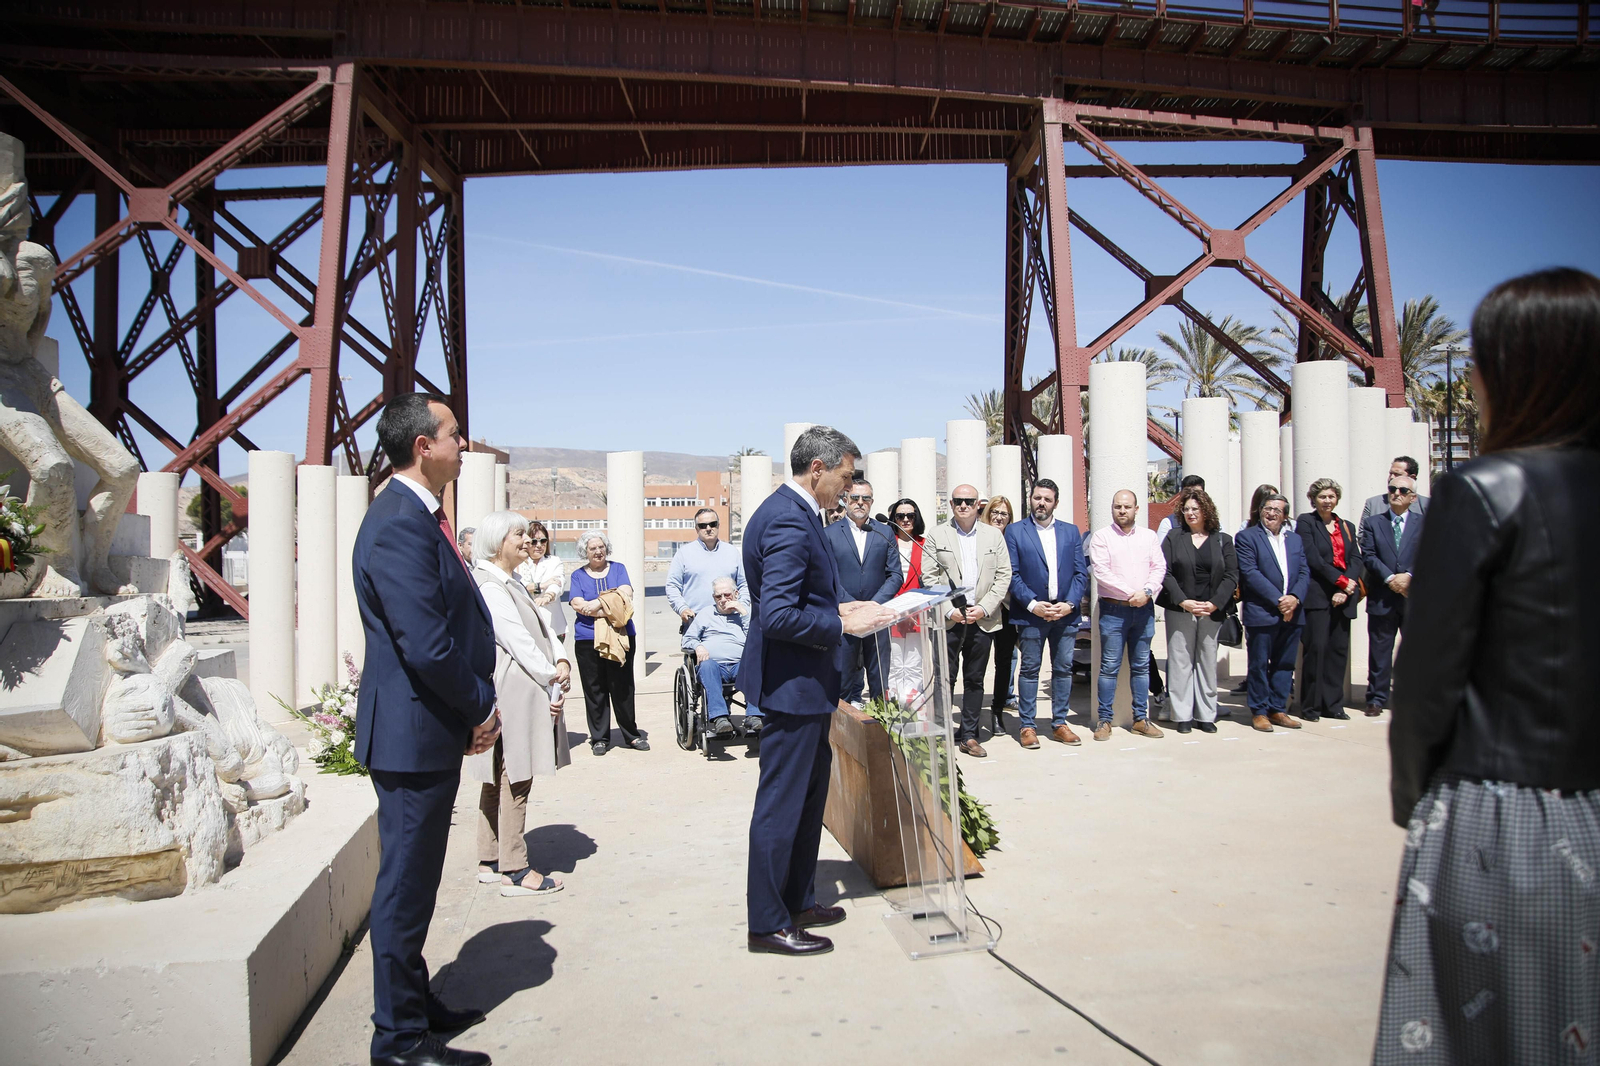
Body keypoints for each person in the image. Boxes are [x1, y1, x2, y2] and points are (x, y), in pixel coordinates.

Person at [1374, 267, 1600, 1065]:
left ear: (1524, 366)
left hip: (1504, 824)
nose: (1469, 377)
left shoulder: (1482, 490)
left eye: (1481, 358)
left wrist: (1415, 802)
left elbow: (1428, 679)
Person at [353, 393, 497, 1066]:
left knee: (418, 884)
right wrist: (479, 706)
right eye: (454, 435)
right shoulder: (397, 526)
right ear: (423, 447)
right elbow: (426, 645)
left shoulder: (417, 516)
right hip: (412, 737)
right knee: (405, 889)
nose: (462, 445)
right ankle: (399, 1039)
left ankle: (413, 1007)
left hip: (426, 731)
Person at [741, 426, 894, 957]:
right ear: (818, 470)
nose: (849, 490)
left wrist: (841, 608)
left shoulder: (798, 512)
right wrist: (839, 626)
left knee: (808, 801)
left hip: (807, 685)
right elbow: (779, 613)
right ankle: (767, 921)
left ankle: (799, 899)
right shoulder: (787, 517)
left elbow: (800, 597)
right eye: (846, 478)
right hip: (791, 687)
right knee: (782, 805)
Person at [468, 510, 571, 897]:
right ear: (498, 543)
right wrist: (552, 676)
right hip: (514, 691)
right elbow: (517, 641)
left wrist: (558, 657)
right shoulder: (492, 586)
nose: (527, 541)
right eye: (519, 536)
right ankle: (514, 868)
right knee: (516, 776)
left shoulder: (507, 581)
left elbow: (543, 627)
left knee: (498, 775)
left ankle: (490, 858)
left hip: (516, 688)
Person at [928, 483, 1012, 758]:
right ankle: (940, 734)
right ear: (951, 504)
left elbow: (1003, 576)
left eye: (969, 501)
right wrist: (949, 610)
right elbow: (928, 578)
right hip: (950, 620)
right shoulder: (937, 535)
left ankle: (969, 735)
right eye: (958, 501)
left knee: (975, 680)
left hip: (981, 619)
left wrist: (985, 608)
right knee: (944, 678)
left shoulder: (993, 536)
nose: (963, 505)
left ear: (979, 505)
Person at [1003, 479, 1088, 749]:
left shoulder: (1071, 532)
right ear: (1030, 499)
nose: (1041, 503)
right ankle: (1028, 726)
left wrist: (1070, 604)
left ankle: (1060, 723)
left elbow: (1080, 573)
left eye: (1047, 499)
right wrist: (1033, 604)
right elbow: (1012, 574)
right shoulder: (1015, 532)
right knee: (1029, 669)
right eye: (1037, 497)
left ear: (1056, 503)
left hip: (1065, 613)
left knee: (1063, 669)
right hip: (1031, 615)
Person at [1087, 489, 1167, 741]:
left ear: (1136, 509)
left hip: (1143, 609)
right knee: (1109, 667)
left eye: (1127, 507)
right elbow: (1101, 571)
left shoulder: (1149, 537)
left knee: (1141, 666)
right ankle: (1104, 720)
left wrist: (1147, 591)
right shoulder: (1101, 537)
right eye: (1117, 506)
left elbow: (1159, 567)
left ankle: (1141, 719)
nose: (1122, 511)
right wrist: (1133, 593)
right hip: (1113, 610)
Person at [1157, 487, 1237, 734]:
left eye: (1195, 508)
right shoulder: (1173, 537)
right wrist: (1183, 601)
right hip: (1180, 608)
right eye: (1187, 509)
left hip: (1211, 609)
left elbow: (1232, 575)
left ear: (1206, 510)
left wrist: (1215, 603)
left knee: (1206, 660)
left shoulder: (1223, 539)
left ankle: (1206, 714)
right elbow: (1165, 571)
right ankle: (1182, 715)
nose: (1190, 513)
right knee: (1180, 661)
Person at [568, 529, 647, 755]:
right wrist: (610, 608)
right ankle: (599, 738)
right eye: (592, 548)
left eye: (601, 547)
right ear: (585, 551)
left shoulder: (619, 569)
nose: (598, 551)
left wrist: (595, 605)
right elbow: (576, 603)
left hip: (621, 636)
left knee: (622, 687)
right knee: (595, 689)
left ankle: (631, 735)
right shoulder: (577, 576)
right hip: (587, 638)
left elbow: (626, 594)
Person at [823, 479, 901, 705]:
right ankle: (841, 737)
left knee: (879, 683)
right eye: (855, 498)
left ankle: (881, 731)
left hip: (878, 618)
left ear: (872, 502)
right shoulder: (829, 534)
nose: (860, 503)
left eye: (865, 499)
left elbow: (895, 575)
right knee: (843, 684)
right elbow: (827, 576)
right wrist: (851, 605)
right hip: (846, 619)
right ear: (845, 500)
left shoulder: (885, 532)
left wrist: (873, 605)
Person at [1235, 492, 1309, 732]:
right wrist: (1280, 601)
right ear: (1260, 511)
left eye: (1277, 510)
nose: (1271, 513)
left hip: (1293, 612)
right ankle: (1259, 711)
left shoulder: (1295, 540)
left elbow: (1304, 573)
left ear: (1285, 515)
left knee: (1285, 664)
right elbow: (1250, 572)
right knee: (1258, 664)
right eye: (1268, 508)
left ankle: (1278, 709)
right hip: (1263, 612)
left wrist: (1295, 598)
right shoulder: (1247, 537)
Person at [1295, 478, 1365, 722]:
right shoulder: (1306, 522)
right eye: (1322, 496)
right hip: (1318, 596)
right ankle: (1311, 707)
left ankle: (1333, 705)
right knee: (1316, 650)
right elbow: (1313, 559)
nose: (1327, 501)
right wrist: (1341, 582)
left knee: (1338, 651)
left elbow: (1356, 558)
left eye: (1331, 496)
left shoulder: (1346, 526)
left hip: (1344, 597)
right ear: (1314, 499)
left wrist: (1346, 587)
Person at [1358, 474, 1423, 718]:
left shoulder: (1424, 522)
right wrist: (1390, 579)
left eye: (1403, 491)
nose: (1396, 493)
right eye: (1392, 489)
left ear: (1413, 498)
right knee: (1379, 650)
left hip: (1412, 596)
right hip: (1382, 596)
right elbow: (1369, 555)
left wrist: (1409, 576)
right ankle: (1376, 698)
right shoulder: (1375, 522)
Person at [684, 576, 758, 737]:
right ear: (714, 597)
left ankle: (754, 715)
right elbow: (687, 639)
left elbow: (756, 639)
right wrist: (698, 646)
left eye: (727, 595)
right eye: (718, 596)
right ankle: (720, 718)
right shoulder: (705, 614)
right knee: (707, 665)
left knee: (754, 663)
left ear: (736, 594)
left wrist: (744, 613)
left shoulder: (745, 614)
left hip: (741, 666)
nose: (723, 600)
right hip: (715, 667)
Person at [884, 497, 936, 697]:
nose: (906, 520)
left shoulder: (924, 544)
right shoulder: (885, 542)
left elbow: (929, 577)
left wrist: (913, 607)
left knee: (914, 662)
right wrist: (898, 606)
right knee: (895, 663)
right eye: (900, 516)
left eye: (910, 515)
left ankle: (913, 702)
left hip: (917, 612)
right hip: (892, 611)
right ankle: (895, 702)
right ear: (893, 518)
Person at [666, 506, 748, 622]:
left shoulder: (732, 552)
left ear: (718, 525)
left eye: (712, 524)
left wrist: (741, 606)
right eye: (703, 526)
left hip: (730, 621)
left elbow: (744, 584)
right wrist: (682, 608)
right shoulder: (683, 554)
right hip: (696, 621)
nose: (708, 528)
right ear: (696, 529)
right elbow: (672, 586)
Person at [979, 496, 1019, 726]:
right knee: (978, 662)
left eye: (1004, 513)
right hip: (982, 608)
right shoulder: (979, 538)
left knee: (1005, 660)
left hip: (1006, 608)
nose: (999, 517)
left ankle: (998, 709)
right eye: (994, 511)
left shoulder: (1013, 540)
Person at [515, 519, 567, 640]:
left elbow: (558, 583)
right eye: (534, 541)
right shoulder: (518, 562)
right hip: (525, 625)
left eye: (543, 541)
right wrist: (541, 585)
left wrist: (548, 596)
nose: (539, 545)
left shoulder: (554, 561)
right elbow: (518, 587)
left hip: (552, 625)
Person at [1361, 457, 1430, 521]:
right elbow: (1363, 533)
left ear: (1412, 477)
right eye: (1390, 473)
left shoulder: (1426, 505)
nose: (1391, 477)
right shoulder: (1373, 504)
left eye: (1397, 474)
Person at [1154, 474, 1206, 541]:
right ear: (1181, 495)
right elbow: (1161, 550)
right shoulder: (1169, 524)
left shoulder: (1215, 525)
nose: (1192, 496)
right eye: (1188, 493)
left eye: (1197, 493)